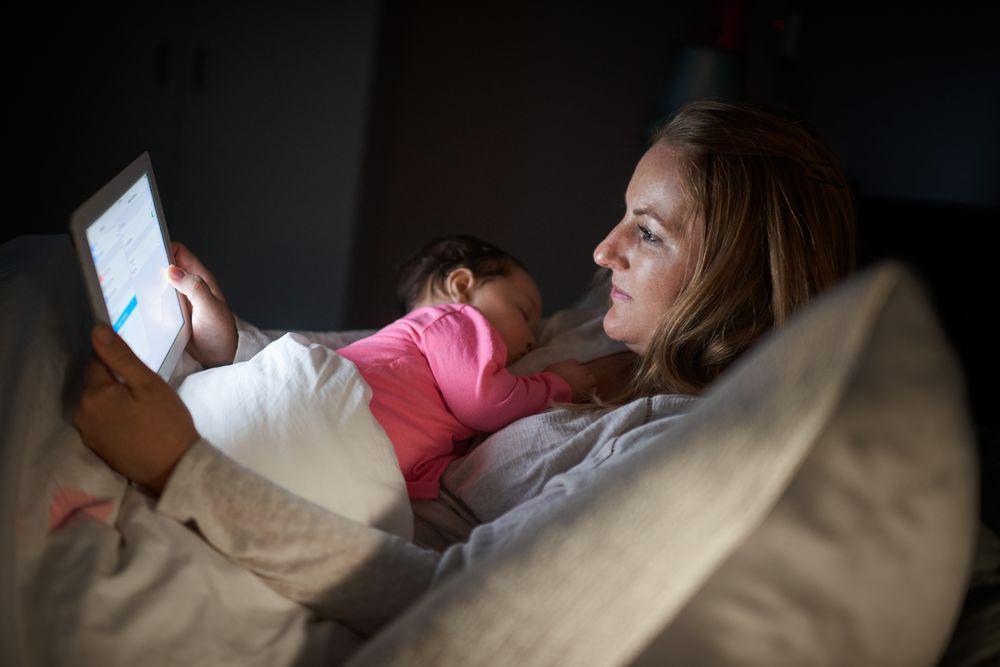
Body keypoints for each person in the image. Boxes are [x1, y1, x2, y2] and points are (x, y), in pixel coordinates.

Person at [72, 98, 857, 639]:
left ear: (741, 284)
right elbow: (395, 385)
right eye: (624, 215)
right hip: (307, 461)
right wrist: (234, 343)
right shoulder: (590, 335)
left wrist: (184, 466)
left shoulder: (670, 443)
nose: (602, 250)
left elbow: (453, 593)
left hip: (303, 522)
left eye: (647, 234)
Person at [332, 234, 595, 500]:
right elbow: (485, 405)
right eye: (523, 313)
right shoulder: (453, 319)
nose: (532, 339)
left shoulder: (438, 379)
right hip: (331, 412)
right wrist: (558, 383)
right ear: (461, 285)